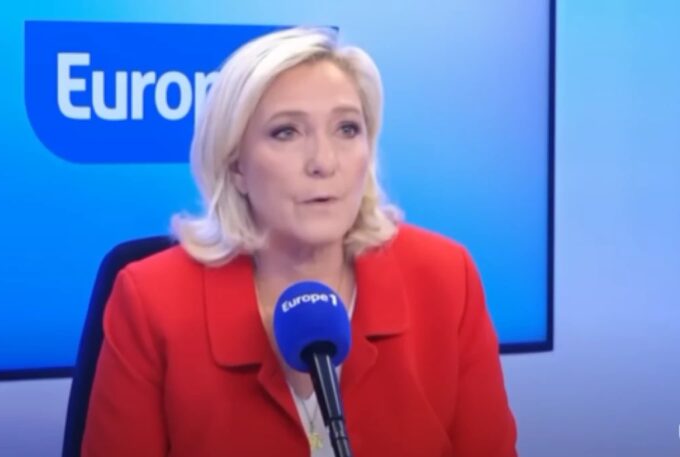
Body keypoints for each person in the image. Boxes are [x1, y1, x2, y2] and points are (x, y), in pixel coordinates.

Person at [81, 26, 517, 457]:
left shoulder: (445, 278)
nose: (324, 162)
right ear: (235, 166)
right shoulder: (153, 301)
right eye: (286, 132)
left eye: (347, 129)